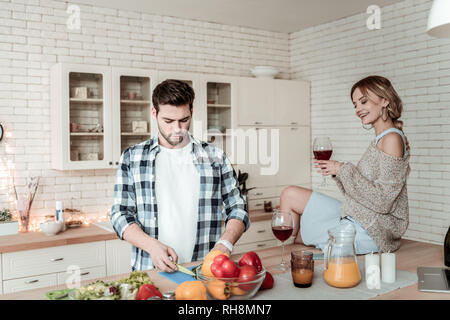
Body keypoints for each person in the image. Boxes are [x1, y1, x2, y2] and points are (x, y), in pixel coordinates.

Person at [110, 79, 249, 272]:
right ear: (154, 113)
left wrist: (225, 244)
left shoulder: (215, 156)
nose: (177, 129)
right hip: (151, 270)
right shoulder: (132, 158)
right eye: (168, 121)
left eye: (183, 120)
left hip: (206, 270)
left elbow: (238, 207)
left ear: (191, 112)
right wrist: (152, 246)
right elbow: (120, 215)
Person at [280, 75, 410, 254]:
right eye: (355, 104)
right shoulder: (381, 139)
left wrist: (343, 169)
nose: (358, 109)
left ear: (385, 100)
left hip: (373, 229)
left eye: (364, 101)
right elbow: (362, 193)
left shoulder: (392, 139)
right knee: (290, 194)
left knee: (302, 235)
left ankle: (285, 261)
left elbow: (384, 201)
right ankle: (284, 256)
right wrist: (337, 171)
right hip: (359, 214)